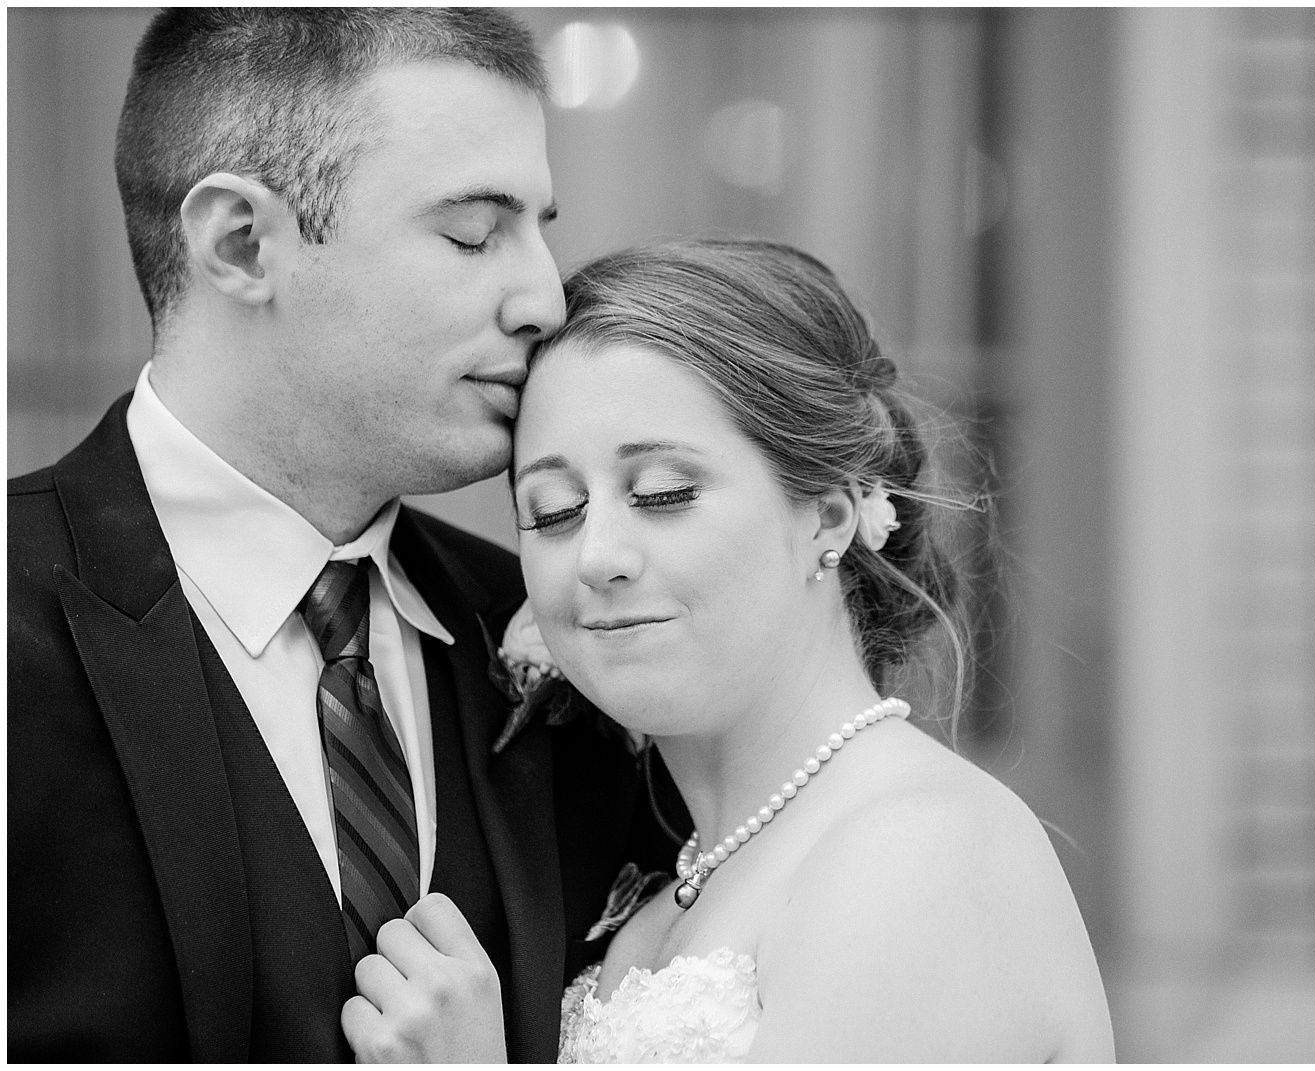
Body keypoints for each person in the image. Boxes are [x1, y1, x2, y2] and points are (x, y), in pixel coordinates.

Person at [7, 10, 679, 1061]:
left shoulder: (560, 627)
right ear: (240, 243)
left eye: (542, 227)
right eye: (472, 232)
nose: (546, 298)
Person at [340, 238, 1116, 1062]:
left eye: (663, 494)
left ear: (826, 514)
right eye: (554, 510)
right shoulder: (663, 882)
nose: (598, 555)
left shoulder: (922, 853)